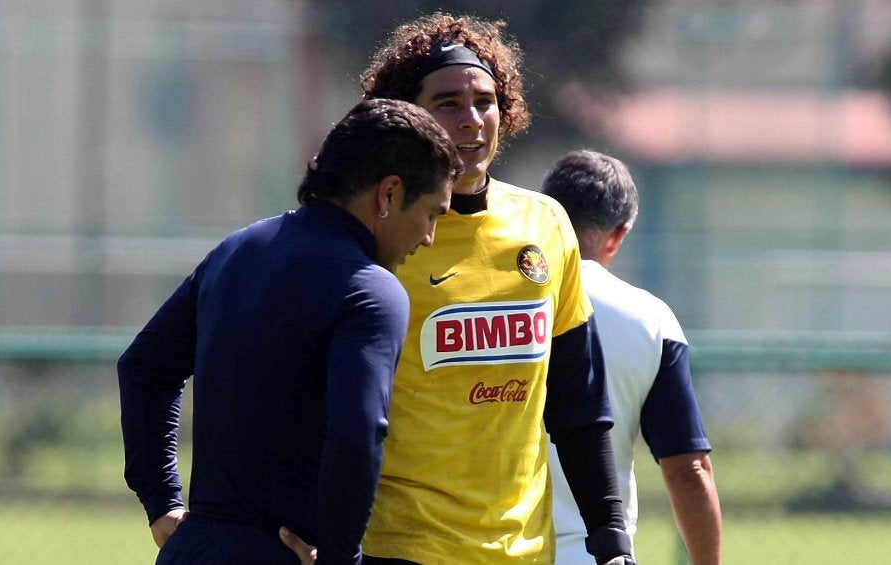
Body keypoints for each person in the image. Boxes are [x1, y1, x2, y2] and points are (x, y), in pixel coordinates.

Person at [280, 13, 635, 565]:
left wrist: (611, 538)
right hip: (397, 547)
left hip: (521, 551)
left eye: (485, 101)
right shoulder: (378, 230)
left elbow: (579, 405)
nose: (472, 120)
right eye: (447, 104)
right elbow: (305, 395)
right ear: (407, 117)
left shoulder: (545, 224)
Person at [118, 97, 461, 565]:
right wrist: (342, 559)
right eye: (433, 214)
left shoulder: (237, 251)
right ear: (389, 194)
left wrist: (162, 501)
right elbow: (356, 435)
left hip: (192, 550)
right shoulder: (370, 291)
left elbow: (144, 367)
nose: (428, 238)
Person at [542, 150, 722, 565]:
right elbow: (688, 471)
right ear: (619, 234)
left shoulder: (496, 300)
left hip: (488, 546)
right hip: (596, 554)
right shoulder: (650, 319)